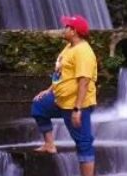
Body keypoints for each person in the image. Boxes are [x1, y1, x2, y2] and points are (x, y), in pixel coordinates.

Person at [30, 15, 98, 176]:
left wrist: (77, 109)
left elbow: (84, 81)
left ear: (74, 31)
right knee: (38, 107)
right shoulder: (69, 47)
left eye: (67, 27)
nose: (64, 29)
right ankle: (49, 145)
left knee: (83, 143)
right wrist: (49, 90)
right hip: (59, 99)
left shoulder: (84, 52)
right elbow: (61, 73)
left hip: (75, 104)